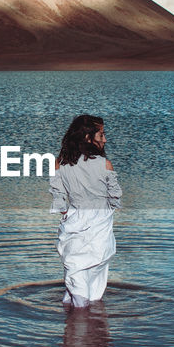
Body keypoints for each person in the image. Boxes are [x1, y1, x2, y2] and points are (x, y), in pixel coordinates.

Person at [49, 114, 121, 309]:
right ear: (88, 138)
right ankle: (91, 325)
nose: (105, 139)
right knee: (94, 276)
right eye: (101, 135)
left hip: (75, 220)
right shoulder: (105, 165)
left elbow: (59, 199)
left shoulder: (60, 163)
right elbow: (115, 198)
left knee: (76, 272)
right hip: (100, 224)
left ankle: (76, 321)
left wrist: (69, 214)